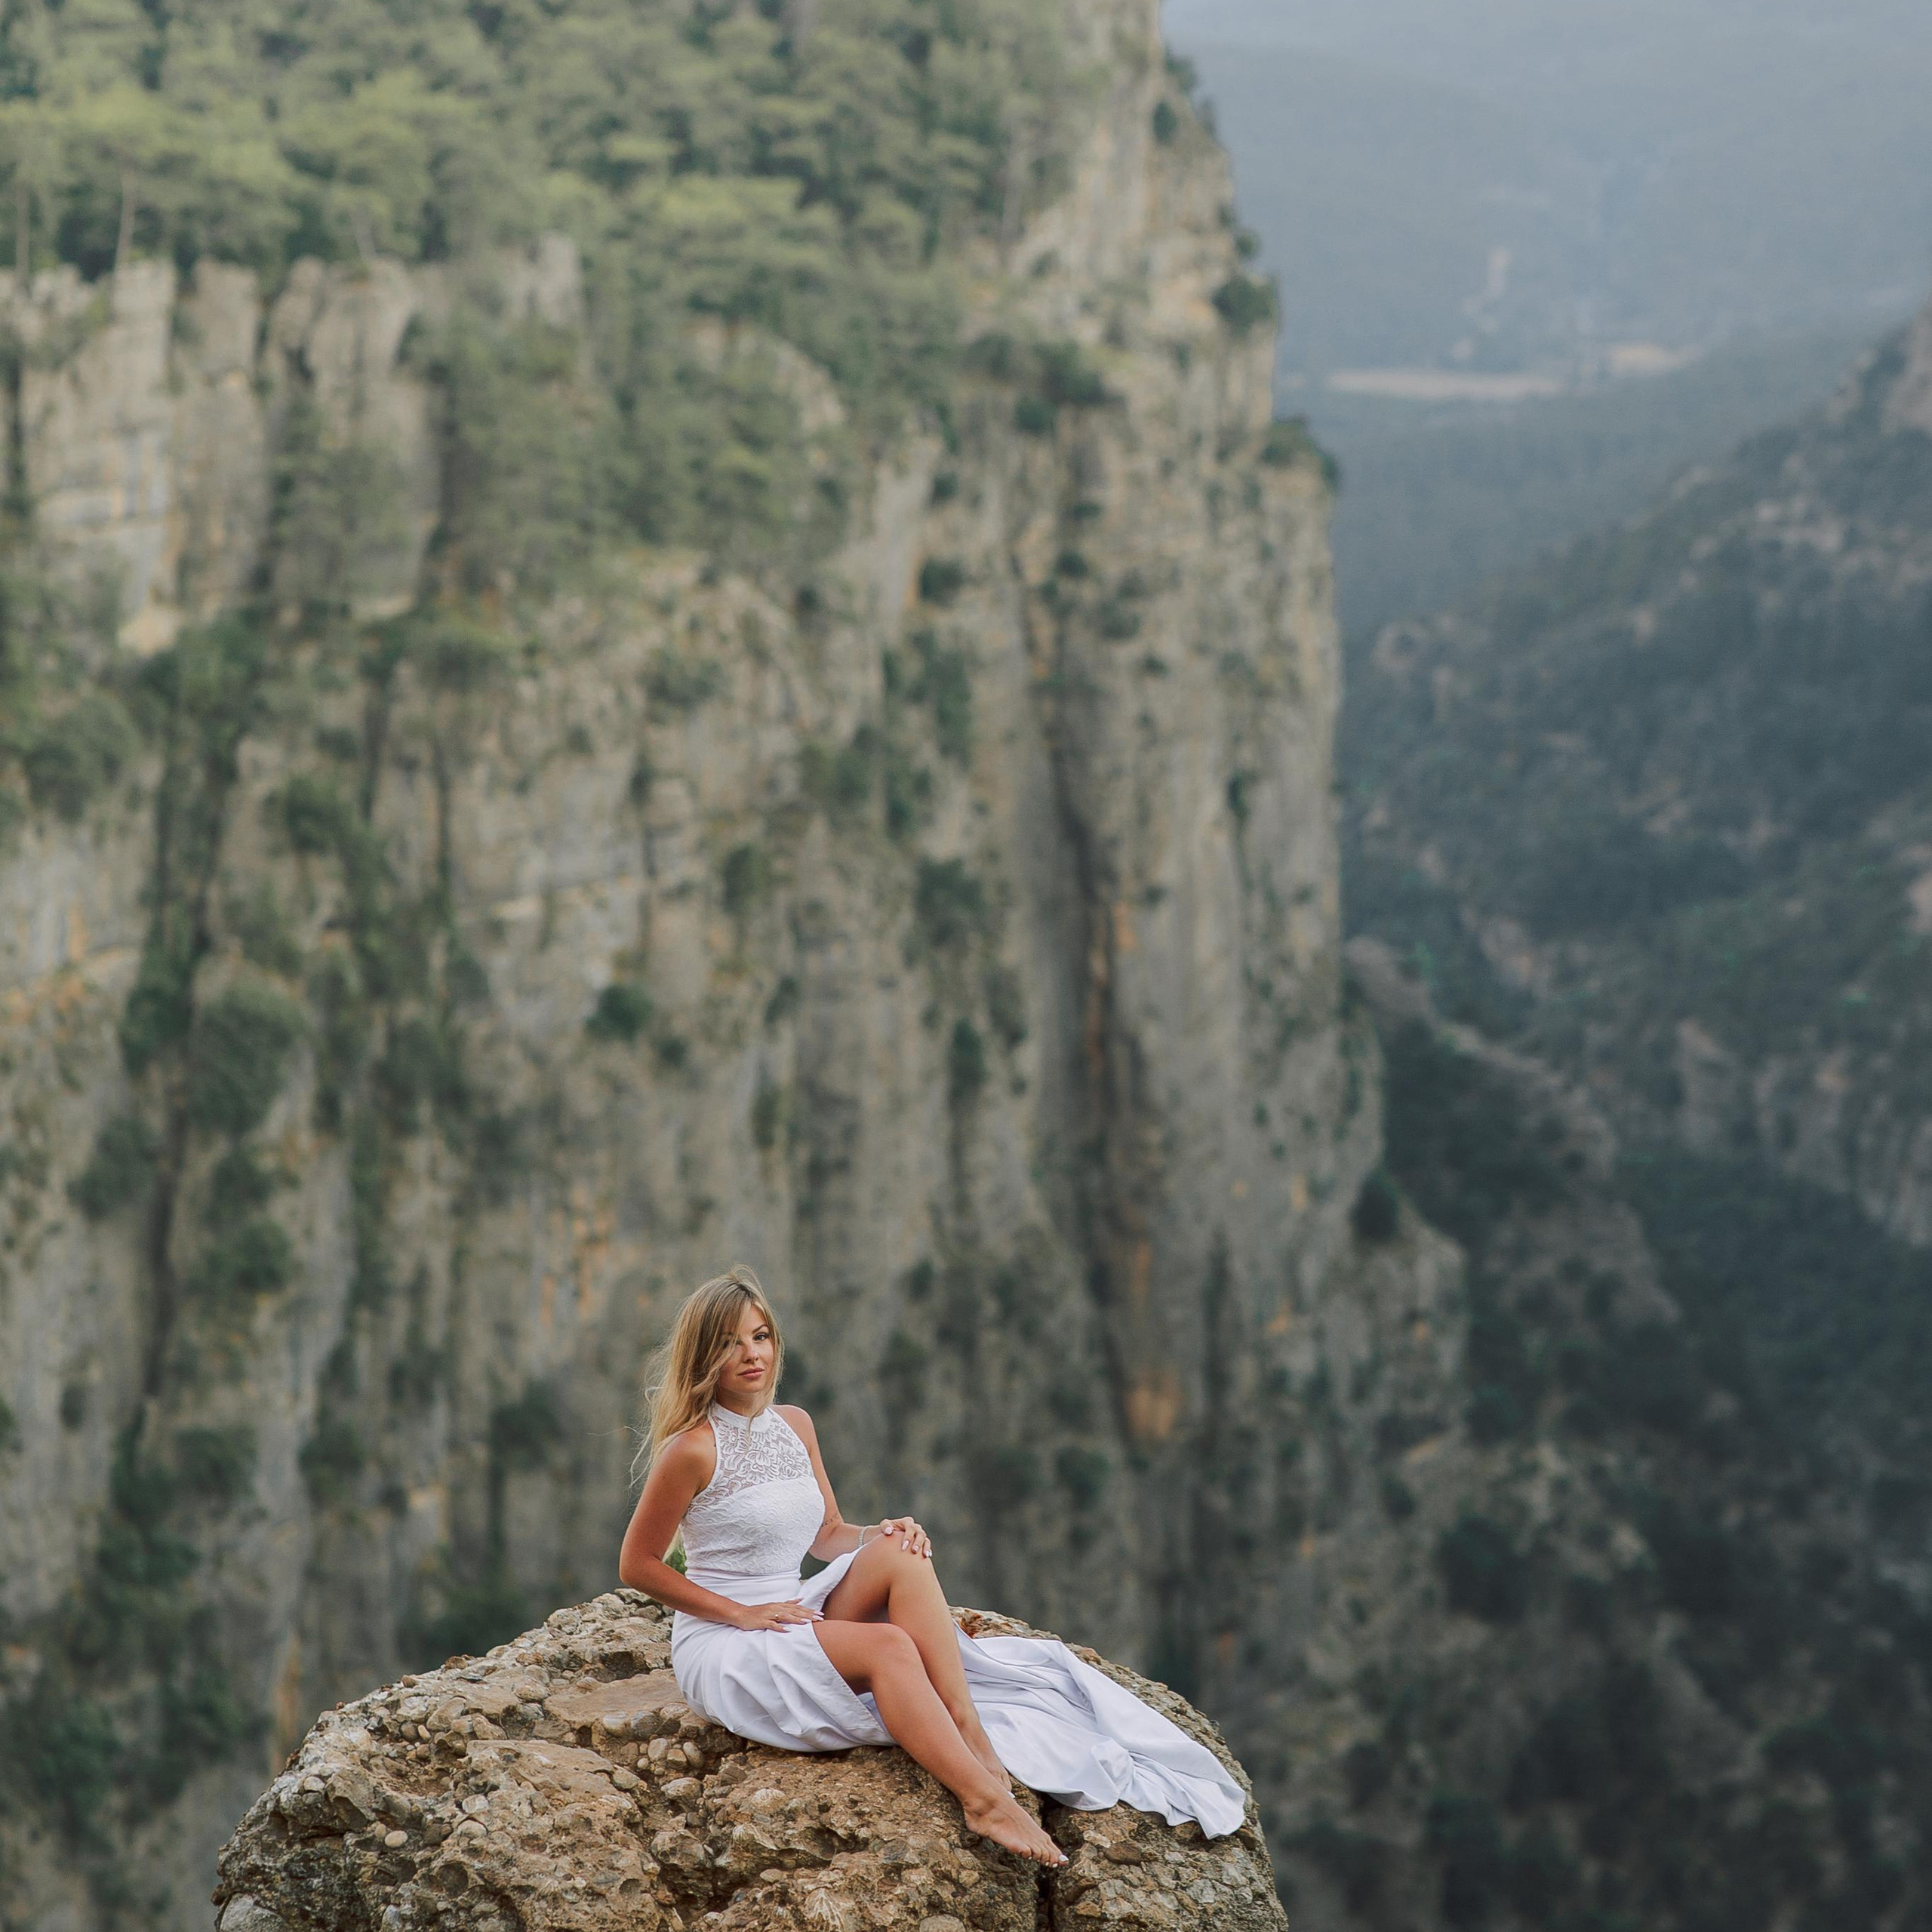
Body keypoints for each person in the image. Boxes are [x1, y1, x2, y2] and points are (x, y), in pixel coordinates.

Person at [617, 1264, 1248, 1869]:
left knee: (902, 1552)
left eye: (760, 1336)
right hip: (727, 1642)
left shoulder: (795, 1425)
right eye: (730, 1343)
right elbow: (638, 1564)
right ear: (705, 1356)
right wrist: (740, 1613)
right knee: (891, 1648)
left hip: (793, 1607)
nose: (752, 1354)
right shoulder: (692, 1449)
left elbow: (829, 1534)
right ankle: (983, 1801)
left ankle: (967, 1727)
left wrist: (885, 1531)